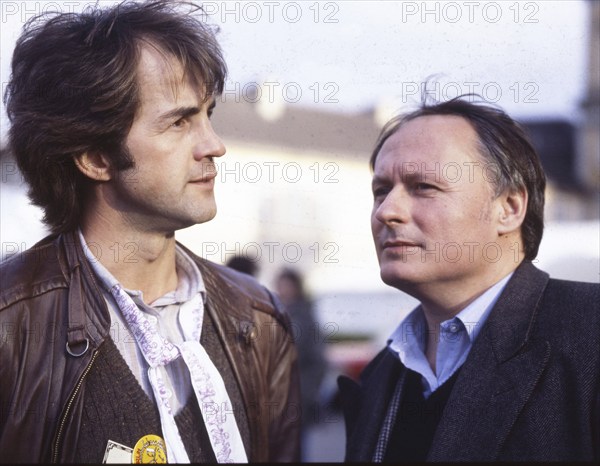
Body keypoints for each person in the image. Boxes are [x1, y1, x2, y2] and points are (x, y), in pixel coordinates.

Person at [0, 1, 299, 463]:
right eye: (179, 122)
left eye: (208, 114)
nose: (213, 145)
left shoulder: (256, 316)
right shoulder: (12, 324)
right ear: (96, 158)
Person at [338, 95, 600, 462]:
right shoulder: (383, 373)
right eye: (381, 191)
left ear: (509, 208)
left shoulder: (589, 334)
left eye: (423, 187)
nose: (387, 211)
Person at [275, 268, 327, 459]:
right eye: (280, 284)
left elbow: (318, 359)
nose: (282, 289)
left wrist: (306, 392)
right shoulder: (272, 311)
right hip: (273, 396)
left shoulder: (305, 316)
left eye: (286, 285)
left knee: (295, 448)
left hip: (298, 394)